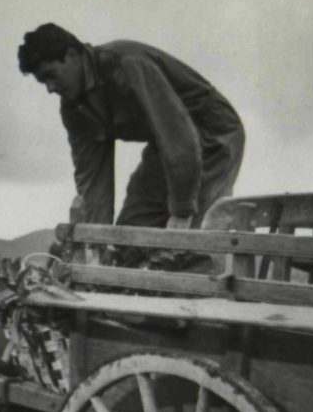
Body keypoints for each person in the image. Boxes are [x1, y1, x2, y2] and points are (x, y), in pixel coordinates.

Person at [18, 24, 245, 266]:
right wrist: (96, 243)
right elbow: (93, 180)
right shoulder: (73, 107)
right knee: (127, 240)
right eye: (43, 82)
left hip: (212, 133)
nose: (50, 88)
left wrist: (181, 211)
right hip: (167, 145)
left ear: (73, 56)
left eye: (51, 75)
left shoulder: (125, 64)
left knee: (187, 245)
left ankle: (195, 293)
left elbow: (179, 136)